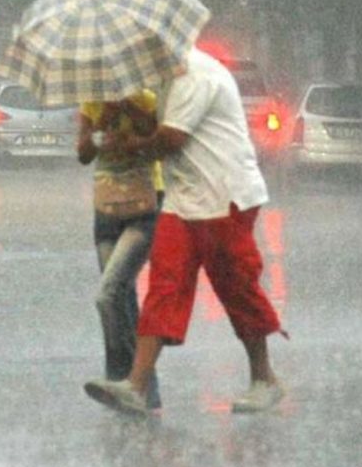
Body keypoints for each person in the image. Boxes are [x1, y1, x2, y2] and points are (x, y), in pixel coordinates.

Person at [84, 46, 285, 416]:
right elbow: (153, 128)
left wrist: (133, 146)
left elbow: (168, 140)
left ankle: (264, 377)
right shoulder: (164, 80)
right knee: (165, 284)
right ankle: (137, 386)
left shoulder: (196, 75)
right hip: (184, 198)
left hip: (224, 195)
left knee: (236, 287)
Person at [78, 91, 163, 411]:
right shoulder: (91, 102)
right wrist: (100, 120)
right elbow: (84, 153)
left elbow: (157, 143)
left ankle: (127, 380)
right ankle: (139, 388)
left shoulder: (146, 99)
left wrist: (129, 107)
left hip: (144, 206)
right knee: (121, 299)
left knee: (109, 294)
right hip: (106, 210)